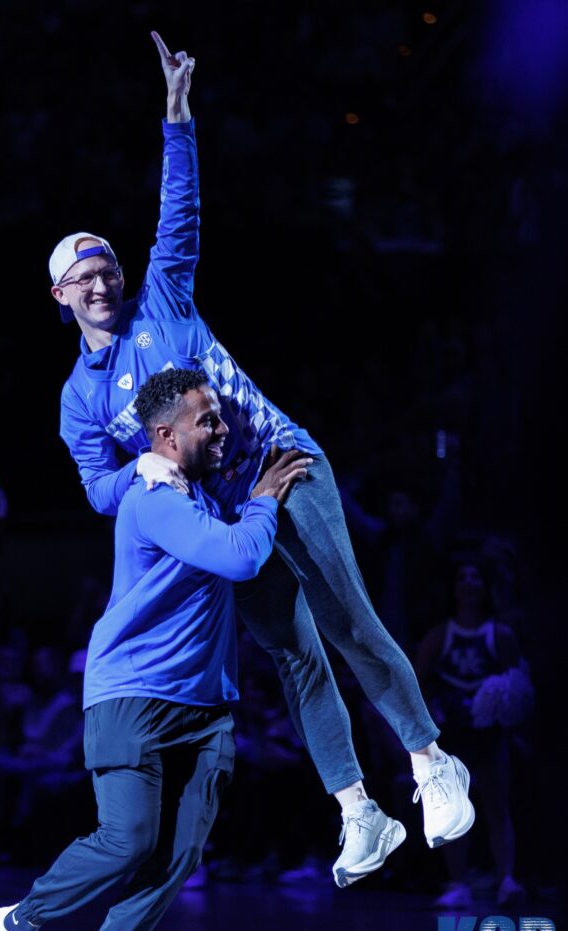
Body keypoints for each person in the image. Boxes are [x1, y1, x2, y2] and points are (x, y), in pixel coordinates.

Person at [51, 30, 474, 888]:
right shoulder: (78, 398)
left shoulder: (162, 299)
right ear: (60, 296)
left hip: (282, 464)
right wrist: (143, 472)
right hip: (226, 514)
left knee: (347, 618)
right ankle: (359, 811)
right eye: (82, 275)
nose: (101, 281)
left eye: (107, 268)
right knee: (290, 654)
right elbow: (101, 490)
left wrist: (177, 119)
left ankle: (432, 761)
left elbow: (180, 214)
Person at [0, 368, 310, 931]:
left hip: (204, 707)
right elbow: (240, 558)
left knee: (178, 857)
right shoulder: (151, 498)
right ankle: (14, 923)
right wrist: (265, 497)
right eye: (205, 419)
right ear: (163, 434)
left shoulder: (194, 492)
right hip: (132, 693)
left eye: (218, 417)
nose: (219, 428)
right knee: (127, 838)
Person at [414, 559, 532, 908]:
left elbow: (519, 685)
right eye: (461, 576)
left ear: (484, 587)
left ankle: (506, 879)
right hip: (451, 734)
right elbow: (416, 682)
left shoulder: (500, 635)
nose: (467, 583)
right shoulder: (440, 634)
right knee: (453, 810)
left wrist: (506, 715)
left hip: (490, 735)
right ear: (453, 588)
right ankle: (457, 882)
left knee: (497, 806)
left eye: (475, 577)